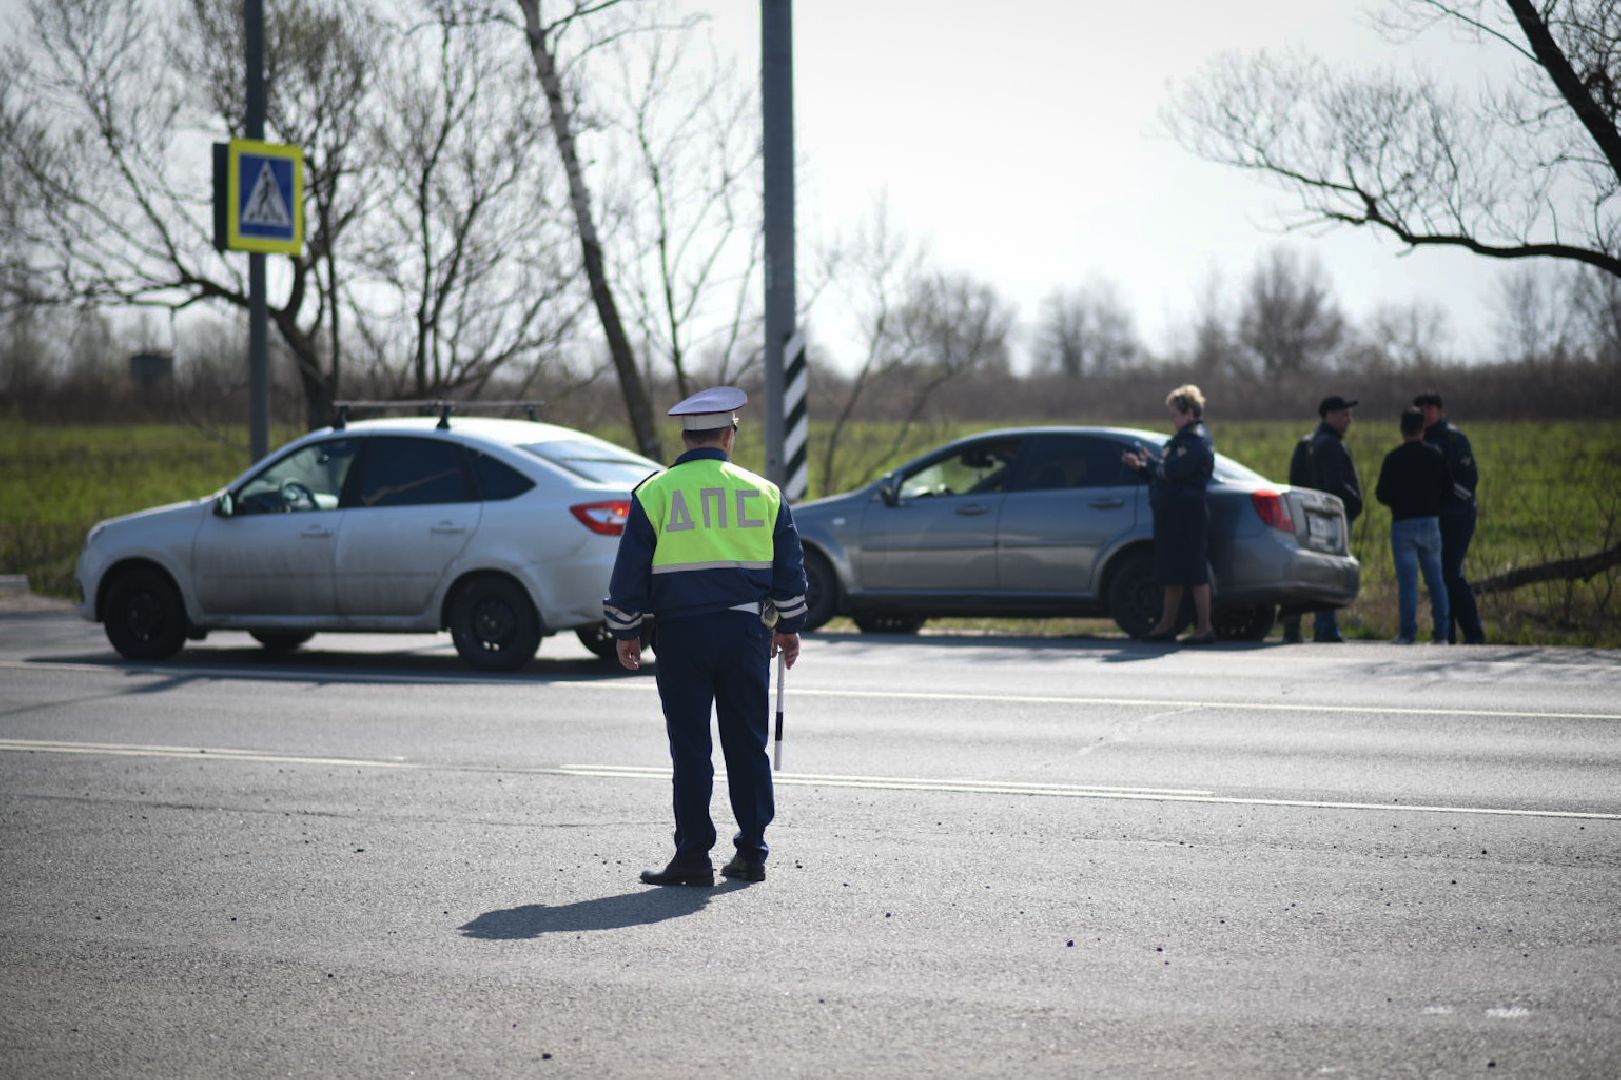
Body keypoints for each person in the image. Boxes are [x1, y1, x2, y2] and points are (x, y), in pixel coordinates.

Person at [604, 386, 809, 886]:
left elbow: (629, 571)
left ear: (685, 437)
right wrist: (789, 626)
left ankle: (693, 856)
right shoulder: (764, 492)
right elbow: (790, 568)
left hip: (681, 634)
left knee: (691, 748)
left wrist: (625, 630)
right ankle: (752, 852)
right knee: (747, 743)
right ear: (728, 435)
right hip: (744, 633)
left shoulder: (655, 491)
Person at [1121, 384, 1217, 644]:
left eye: (1175, 414)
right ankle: (1166, 625)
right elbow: (1165, 473)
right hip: (1172, 514)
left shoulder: (1195, 439)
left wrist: (1153, 464)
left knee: (1194, 572)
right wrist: (1143, 467)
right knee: (1171, 572)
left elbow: (1175, 471)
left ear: (1189, 412)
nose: (1173, 420)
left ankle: (1205, 627)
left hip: (1187, 513)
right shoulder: (1181, 440)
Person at [1280, 394, 1363, 643]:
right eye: (1344, 414)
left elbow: (1296, 482)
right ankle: (1326, 628)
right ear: (1329, 415)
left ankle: (1294, 627)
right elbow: (1335, 484)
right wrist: (1355, 503)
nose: (1349, 419)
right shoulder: (1330, 444)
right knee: (1330, 573)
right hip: (1330, 519)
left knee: (1313, 572)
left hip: (1309, 518)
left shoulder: (1308, 442)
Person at [1414, 391, 1486, 644]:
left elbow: (1467, 482)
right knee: (1438, 576)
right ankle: (1447, 634)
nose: (1426, 412)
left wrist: (1442, 490)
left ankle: (1474, 633)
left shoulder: (1455, 439)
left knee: (1452, 573)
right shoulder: (1418, 440)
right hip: (1432, 519)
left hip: (1458, 515)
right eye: (1421, 408)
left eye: (1430, 407)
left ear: (1440, 410)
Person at [1375, 407, 1452, 644]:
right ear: (1422, 428)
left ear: (1401, 430)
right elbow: (1448, 491)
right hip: (1430, 523)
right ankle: (1442, 633)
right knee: (1436, 580)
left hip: (1403, 524)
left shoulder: (1393, 458)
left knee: (1408, 583)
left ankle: (1408, 633)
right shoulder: (1435, 455)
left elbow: (1382, 494)